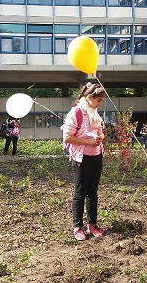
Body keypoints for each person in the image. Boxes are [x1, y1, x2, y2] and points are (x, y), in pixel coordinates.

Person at [62, 82, 106, 241]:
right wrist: (88, 142)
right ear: (89, 97)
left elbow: (100, 132)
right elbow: (67, 137)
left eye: (101, 101)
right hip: (81, 157)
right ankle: (77, 226)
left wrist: (101, 138)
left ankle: (92, 224)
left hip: (96, 155)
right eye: (99, 100)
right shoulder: (77, 112)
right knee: (80, 193)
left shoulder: (95, 113)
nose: (100, 103)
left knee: (92, 192)